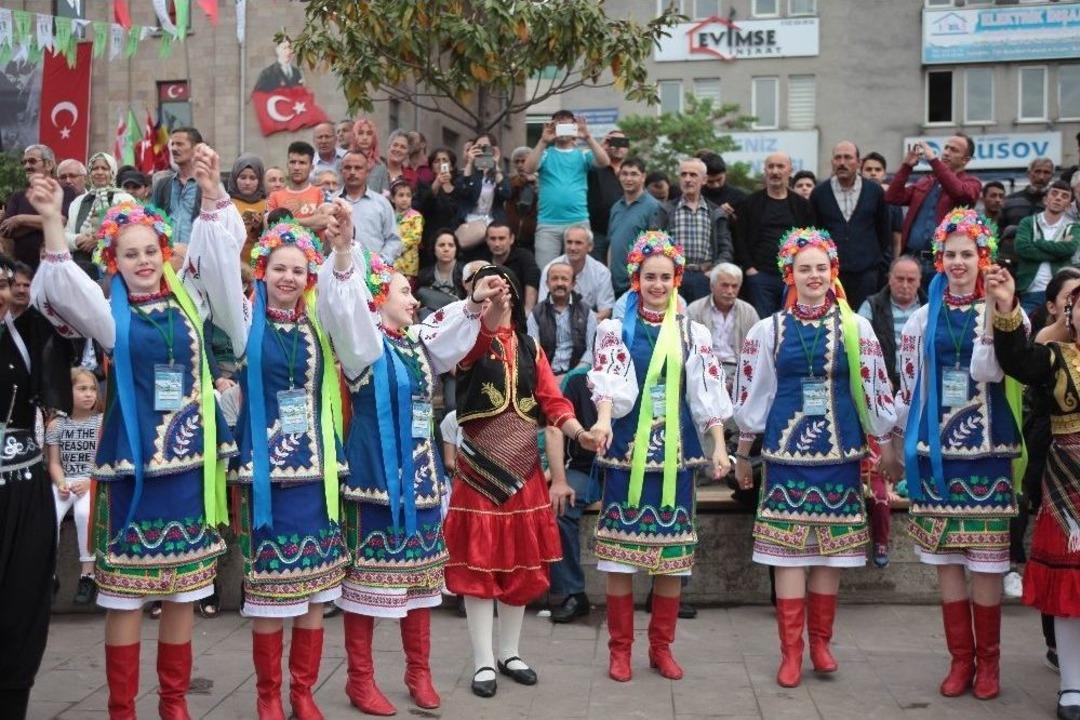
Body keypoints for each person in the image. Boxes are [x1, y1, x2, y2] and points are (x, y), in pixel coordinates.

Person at [29, 146, 239, 719]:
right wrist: (52, 222)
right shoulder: (109, 313)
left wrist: (215, 193)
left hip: (190, 470)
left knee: (183, 593)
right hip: (134, 471)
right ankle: (123, 709)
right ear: (114, 260)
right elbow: (62, 288)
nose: (143, 260)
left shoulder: (191, 301)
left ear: (163, 252)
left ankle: (174, 704)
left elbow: (220, 264)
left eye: (151, 250)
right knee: (125, 595)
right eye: (130, 253)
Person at [318, 230, 509, 711]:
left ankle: (417, 673)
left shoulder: (415, 344)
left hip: (421, 481)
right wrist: (344, 252)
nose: (415, 303)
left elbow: (448, 335)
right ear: (380, 298)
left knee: (421, 584)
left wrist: (473, 301)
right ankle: (359, 680)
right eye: (405, 293)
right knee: (367, 585)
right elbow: (344, 310)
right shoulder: (365, 344)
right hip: (375, 482)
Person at [733, 227, 899, 688]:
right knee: (786, 556)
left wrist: (886, 444)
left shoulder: (855, 326)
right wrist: (743, 454)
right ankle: (791, 652)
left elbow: (874, 385)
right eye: (804, 268)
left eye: (820, 268)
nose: (813, 275)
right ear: (790, 274)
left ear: (833, 273)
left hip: (840, 453)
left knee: (830, 556)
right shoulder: (769, 330)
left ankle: (821, 642)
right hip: (786, 458)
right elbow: (754, 394)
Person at [199, 213, 348, 720]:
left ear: (309, 279)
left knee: (311, 592)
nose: (288, 278)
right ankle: (268, 696)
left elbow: (348, 298)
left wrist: (342, 248)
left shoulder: (319, 323)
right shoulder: (245, 322)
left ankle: (302, 693)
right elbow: (218, 273)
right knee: (268, 592)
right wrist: (216, 205)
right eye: (279, 268)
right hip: (265, 480)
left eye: (298, 271)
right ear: (262, 272)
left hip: (314, 476)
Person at [442, 263, 599, 698]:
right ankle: (482, 661)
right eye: (487, 288)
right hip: (478, 472)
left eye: (503, 286)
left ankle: (509, 653)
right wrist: (484, 310)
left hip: (524, 473)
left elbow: (552, 400)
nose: (498, 294)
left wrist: (580, 433)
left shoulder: (531, 348)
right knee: (479, 567)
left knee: (518, 563)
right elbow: (480, 339)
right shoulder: (469, 342)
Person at [588, 230, 732, 682]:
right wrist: (605, 421)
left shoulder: (693, 331)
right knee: (620, 556)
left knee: (671, 556)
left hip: (676, 457)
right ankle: (620, 650)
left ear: (676, 280)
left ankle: (661, 648)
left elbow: (706, 392)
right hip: (628, 455)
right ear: (636, 279)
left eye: (664, 277)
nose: (656, 284)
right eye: (649, 276)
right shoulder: (615, 328)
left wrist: (721, 447)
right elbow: (609, 381)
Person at [894, 208, 1021, 701]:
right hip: (936, 449)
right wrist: (897, 442)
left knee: (987, 562)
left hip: (986, 451)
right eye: (951, 255)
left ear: (983, 257)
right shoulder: (923, 316)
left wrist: (997, 310)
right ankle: (959, 660)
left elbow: (991, 372)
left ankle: (989, 664)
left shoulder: (1007, 309)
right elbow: (911, 384)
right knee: (947, 560)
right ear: (939, 260)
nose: (959, 262)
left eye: (968, 254)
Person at [986, 263, 1080, 720]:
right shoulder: (1054, 358)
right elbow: (1015, 361)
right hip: (1068, 481)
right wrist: (1005, 305)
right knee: (1069, 582)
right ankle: (1072, 687)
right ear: (1069, 314)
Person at [0, 252, 74, 719]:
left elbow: (53, 411)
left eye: (4, 281)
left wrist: (52, 460)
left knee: (22, 604)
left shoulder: (30, 332)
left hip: (24, 489)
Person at [544, 371, 600, 624]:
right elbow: (555, 426)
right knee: (557, 505)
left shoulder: (643, 375)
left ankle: (669, 588)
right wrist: (559, 480)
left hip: (635, 469)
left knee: (674, 500)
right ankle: (572, 593)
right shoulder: (579, 382)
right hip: (586, 468)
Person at [884, 136, 981, 281]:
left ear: (965, 160)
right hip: (911, 258)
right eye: (946, 148)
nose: (947, 152)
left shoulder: (971, 183)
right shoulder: (927, 181)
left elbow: (959, 192)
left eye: (954, 150)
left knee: (937, 302)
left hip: (941, 262)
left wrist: (933, 161)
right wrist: (906, 166)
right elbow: (892, 197)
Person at [811, 141, 892, 311]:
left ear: (859, 162)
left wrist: (877, 262)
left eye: (847, 157)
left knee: (864, 321)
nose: (842, 162)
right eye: (838, 158)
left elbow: (884, 231)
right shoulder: (819, 193)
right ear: (832, 162)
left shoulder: (874, 191)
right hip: (831, 273)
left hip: (867, 273)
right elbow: (814, 232)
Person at [523, 110, 610, 268]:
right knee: (545, 272)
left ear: (574, 129)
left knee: (581, 270)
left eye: (567, 126)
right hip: (548, 224)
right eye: (558, 125)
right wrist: (543, 141)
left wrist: (587, 137)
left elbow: (604, 162)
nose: (563, 129)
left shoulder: (583, 155)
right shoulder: (545, 154)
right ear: (552, 128)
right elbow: (528, 169)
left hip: (578, 221)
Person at [733, 152, 815, 319]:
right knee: (764, 325)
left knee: (793, 323)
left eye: (780, 166)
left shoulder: (802, 205)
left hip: (793, 276)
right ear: (765, 171)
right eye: (771, 167)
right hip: (761, 276)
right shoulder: (750, 203)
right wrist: (750, 269)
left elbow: (810, 239)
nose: (775, 171)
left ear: (790, 171)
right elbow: (739, 238)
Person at [46, 367, 103, 606]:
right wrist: (60, 482)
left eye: (92, 389)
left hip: (90, 481)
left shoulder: (101, 422)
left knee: (84, 514)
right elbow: (54, 463)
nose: (89, 394)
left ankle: (87, 575)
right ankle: (49, 575)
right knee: (48, 516)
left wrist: (90, 481)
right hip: (64, 481)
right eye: (81, 389)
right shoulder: (56, 425)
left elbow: (103, 460)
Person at [656, 158, 733, 304]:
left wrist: (714, 272)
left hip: (704, 277)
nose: (687, 179)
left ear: (704, 180)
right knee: (673, 323)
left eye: (693, 175)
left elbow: (726, 248)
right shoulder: (666, 210)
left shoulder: (716, 212)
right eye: (683, 175)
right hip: (674, 275)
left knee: (701, 325)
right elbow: (655, 244)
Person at [1, 144, 77, 268]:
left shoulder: (64, 191)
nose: (26, 166)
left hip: (55, 264)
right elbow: (7, 230)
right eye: (24, 162)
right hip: (23, 270)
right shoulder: (18, 196)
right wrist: (46, 221)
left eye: (32, 161)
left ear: (49, 165)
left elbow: (61, 222)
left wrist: (20, 219)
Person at [63, 152, 135, 277]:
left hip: (113, 269)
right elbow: (64, 236)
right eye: (95, 168)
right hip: (80, 269)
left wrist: (100, 241)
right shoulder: (78, 202)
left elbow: (132, 233)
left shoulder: (125, 199)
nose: (99, 172)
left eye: (104, 168)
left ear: (112, 171)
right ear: (90, 172)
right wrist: (78, 240)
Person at [1014, 179, 1080, 314]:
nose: (1058, 198)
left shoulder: (1073, 226)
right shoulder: (1027, 222)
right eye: (1054, 193)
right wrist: (1058, 252)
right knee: (1025, 331)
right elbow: (1022, 248)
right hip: (1029, 292)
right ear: (1045, 199)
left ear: (1068, 206)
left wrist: (1038, 243)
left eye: (1064, 196)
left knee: (1065, 332)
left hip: (1062, 295)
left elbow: (1069, 249)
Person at [686, 262, 759, 381]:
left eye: (734, 286)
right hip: (702, 371)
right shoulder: (694, 310)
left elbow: (757, 350)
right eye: (724, 285)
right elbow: (687, 350)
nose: (730, 291)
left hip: (740, 372)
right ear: (712, 286)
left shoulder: (749, 312)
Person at [527, 260, 597, 377]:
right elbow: (534, 352)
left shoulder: (586, 312)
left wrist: (570, 376)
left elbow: (592, 349)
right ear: (547, 283)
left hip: (577, 377)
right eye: (554, 279)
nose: (559, 283)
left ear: (573, 283)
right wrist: (549, 378)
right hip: (545, 377)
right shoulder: (536, 314)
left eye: (564, 279)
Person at [537, 226, 615, 320]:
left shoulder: (602, 272)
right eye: (569, 242)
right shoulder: (550, 270)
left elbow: (606, 310)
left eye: (578, 243)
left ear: (590, 247)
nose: (573, 247)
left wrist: (581, 322)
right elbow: (543, 308)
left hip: (588, 324)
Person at [609, 158, 662, 297]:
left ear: (643, 177)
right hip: (614, 284)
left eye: (634, 174)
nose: (628, 178)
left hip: (637, 286)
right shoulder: (616, 207)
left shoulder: (653, 207)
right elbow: (612, 244)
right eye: (624, 174)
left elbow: (656, 249)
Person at [339, 151, 401, 262]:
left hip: (374, 273)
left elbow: (394, 240)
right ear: (341, 171)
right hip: (339, 270)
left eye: (358, 168)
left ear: (367, 172)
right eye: (348, 167)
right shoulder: (332, 202)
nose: (352, 172)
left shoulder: (382, 203)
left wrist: (381, 262)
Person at [455, 134, 511, 255]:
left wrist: (495, 165)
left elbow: (505, 193)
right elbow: (463, 191)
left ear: (493, 150)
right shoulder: (468, 173)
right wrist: (470, 163)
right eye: (478, 147)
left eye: (486, 147)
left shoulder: (499, 174)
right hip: (470, 225)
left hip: (492, 226)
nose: (482, 150)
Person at [150, 127, 205, 246]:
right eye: (172, 144)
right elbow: (151, 219)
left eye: (179, 144)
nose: (174, 148)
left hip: (197, 257)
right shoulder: (163, 184)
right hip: (167, 257)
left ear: (197, 148)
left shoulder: (207, 186)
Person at [587, 130, 629, 263]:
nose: (617, 146)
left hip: (623, 233)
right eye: (613, 142)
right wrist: (600, 147)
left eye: (622, 143)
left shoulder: (631, 172)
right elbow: (583, 161)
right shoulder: (594, 167)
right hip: (597, 232)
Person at [266, 141, 328, 231]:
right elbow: (270, 225)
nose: (296, 167)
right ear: (287, 165)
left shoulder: (322, 193)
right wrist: (312, 222)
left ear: (311, 167)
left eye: (302, 163)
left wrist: (286, 221)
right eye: (293, 162)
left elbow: (325, 221)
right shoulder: (274, 196)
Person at [480, 222, 540, 312]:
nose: (497, 244)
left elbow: (532, 281)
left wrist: (527, 312)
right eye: (493, 239)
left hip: (517, 312)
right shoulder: (481, 258)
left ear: (511, 239)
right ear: (486, 240)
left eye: (501, 238)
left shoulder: (524, 256)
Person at [862, 151, 904, 262]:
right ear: (861, 173)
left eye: (878, 170)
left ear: (884, 174)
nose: (873, 173)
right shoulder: (854, 199)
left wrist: (895, 265)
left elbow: (897, 241)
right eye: (868, 169)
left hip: (884, 264)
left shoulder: (893, 202)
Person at [227, 154, 268, 262]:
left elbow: (272, 239)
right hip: (231, 262)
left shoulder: (267, 205)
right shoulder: (226, 204)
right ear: (235, 178)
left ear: (260, 180)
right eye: (242, 177)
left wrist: (259, 227)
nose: (247, 183)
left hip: (258, 264)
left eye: (253, 178)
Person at [1000, 157, 1055, 232]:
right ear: (1029, 173)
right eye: (1037, 172)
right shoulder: (1010, 201)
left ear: (1052, 176)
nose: (1041, 177)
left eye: (1046, 173)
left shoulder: (1055, 204)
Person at [416, 228, 465, 309]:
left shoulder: (465, 271)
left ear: (456, 249)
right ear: (434, 249)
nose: (446, 249)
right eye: (441, 245)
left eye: (451, 245)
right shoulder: (424, 275)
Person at [506, 146, 538, 253]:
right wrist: (523, 180)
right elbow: (507, 193)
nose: (520, 165)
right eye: (517, 162)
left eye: (523, 161)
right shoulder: (510, 180)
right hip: (512, 236)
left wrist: (535, 182)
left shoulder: (542, 181)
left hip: (535, 237)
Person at [389, 179, 423, 280]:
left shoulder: (415, 216)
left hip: (408, 265)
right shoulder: (389, 216)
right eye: (401, 195)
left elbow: (415, 237)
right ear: (392, 198)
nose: (405, 199)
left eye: (408, 195)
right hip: (391, 263)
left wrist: (395, 246)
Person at [350, 117, 389, 194]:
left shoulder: (380, 167)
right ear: (354, 136)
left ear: (374, 138)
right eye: (360, 133)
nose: (365, 138)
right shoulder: (346, 162)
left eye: (369, 134)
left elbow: (385, 195)